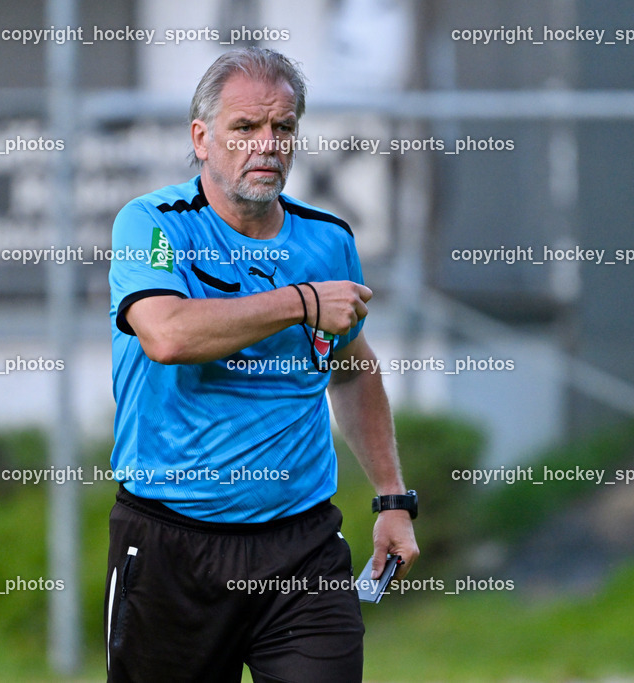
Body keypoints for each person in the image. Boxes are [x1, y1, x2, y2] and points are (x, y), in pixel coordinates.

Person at [105, 46, 419, 683]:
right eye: (245, 129)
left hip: (301, 545)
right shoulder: (152, 223)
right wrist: (299, 302)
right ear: (202, 138)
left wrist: (392, 498)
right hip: (172, 540)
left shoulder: (328, 239)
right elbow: (167, 335)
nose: (266, 145)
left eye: (283, 128)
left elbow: (352, 367)